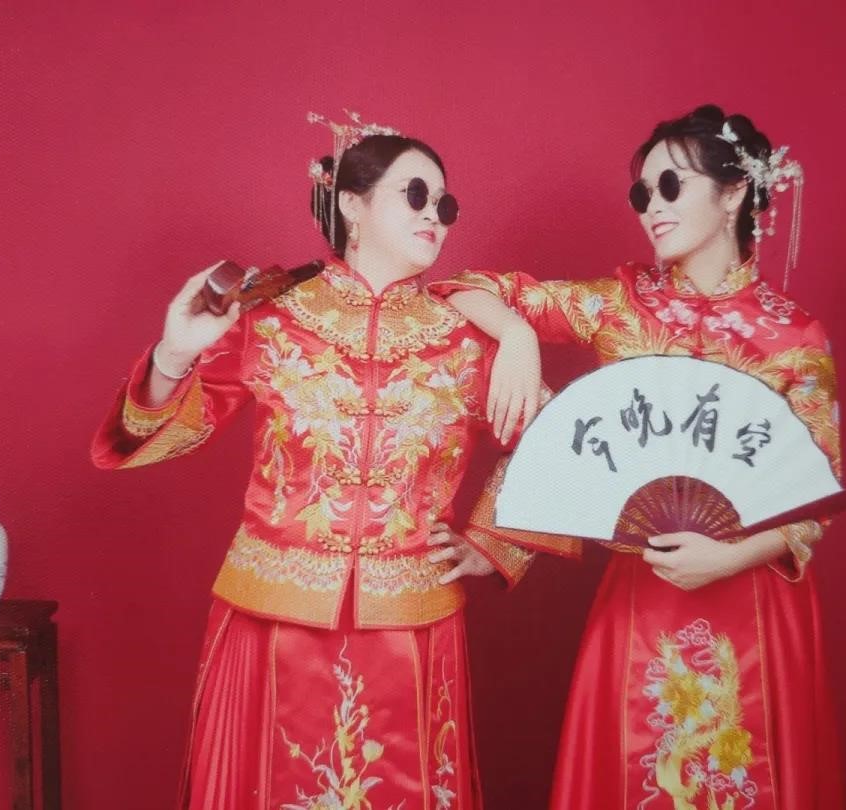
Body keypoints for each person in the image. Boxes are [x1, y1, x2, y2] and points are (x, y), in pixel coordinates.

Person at [92, 112, 560, 810]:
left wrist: (492, 542)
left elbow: (558, 439)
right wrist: (173, 355)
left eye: (446, 205)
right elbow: (163, 431)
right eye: (415, 194)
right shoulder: (273, 318)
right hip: (271, 616)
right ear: (350, 204)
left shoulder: (468, 340)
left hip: (411, 623)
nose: (434, 215)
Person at [434, 105, 843, 809]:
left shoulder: (793, 336)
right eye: (642, 192)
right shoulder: (621, 308)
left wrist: (732, 554)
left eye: (671, 186)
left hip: (754, 598)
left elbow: (816, 495)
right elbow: (466, 286)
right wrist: (519, 339)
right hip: (644, 593)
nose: (652, 206)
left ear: (734, 193)